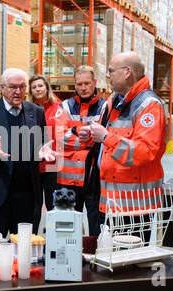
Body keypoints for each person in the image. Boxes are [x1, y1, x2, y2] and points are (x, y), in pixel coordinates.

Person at [90, 52, 166, 241]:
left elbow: (146, 152)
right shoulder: (113, 101)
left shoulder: (148, 105)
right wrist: (91, 135)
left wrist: (106, 137)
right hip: (109, 201)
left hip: (134, 209)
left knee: (130, 265)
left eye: (110, 71)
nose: (107, 76)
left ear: (127, 73)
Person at [0, 68, 48, 236]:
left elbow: (42, 142)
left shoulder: (36, 112)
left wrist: (42, 149)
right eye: (13, 87)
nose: (18, 91)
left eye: (22, 87)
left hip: (27, 196)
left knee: (24, 248)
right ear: (2, 88)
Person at [55, 65, 107, 236]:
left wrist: (74, 132)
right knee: (67, 228)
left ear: (95, 83)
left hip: (93, 180)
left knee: (95, 228)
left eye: (87, 83)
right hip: (67, 181)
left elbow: (105, 138)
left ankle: (93, 259)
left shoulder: (105, 107)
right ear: (74, 85)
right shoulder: (65, 106)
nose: (83, 88)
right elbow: (60, 137)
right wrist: (89, 140)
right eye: (79, 84)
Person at [29, 75, 61, 211]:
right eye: (34, 87)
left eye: (40, 86)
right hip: (34, 163)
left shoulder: (59, 107)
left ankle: (52, 232)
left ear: (47, 88)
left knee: (52, 203)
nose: (38, 89)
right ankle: (33, 233)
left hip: (52, 163)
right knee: (34, 204)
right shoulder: (28, 109)